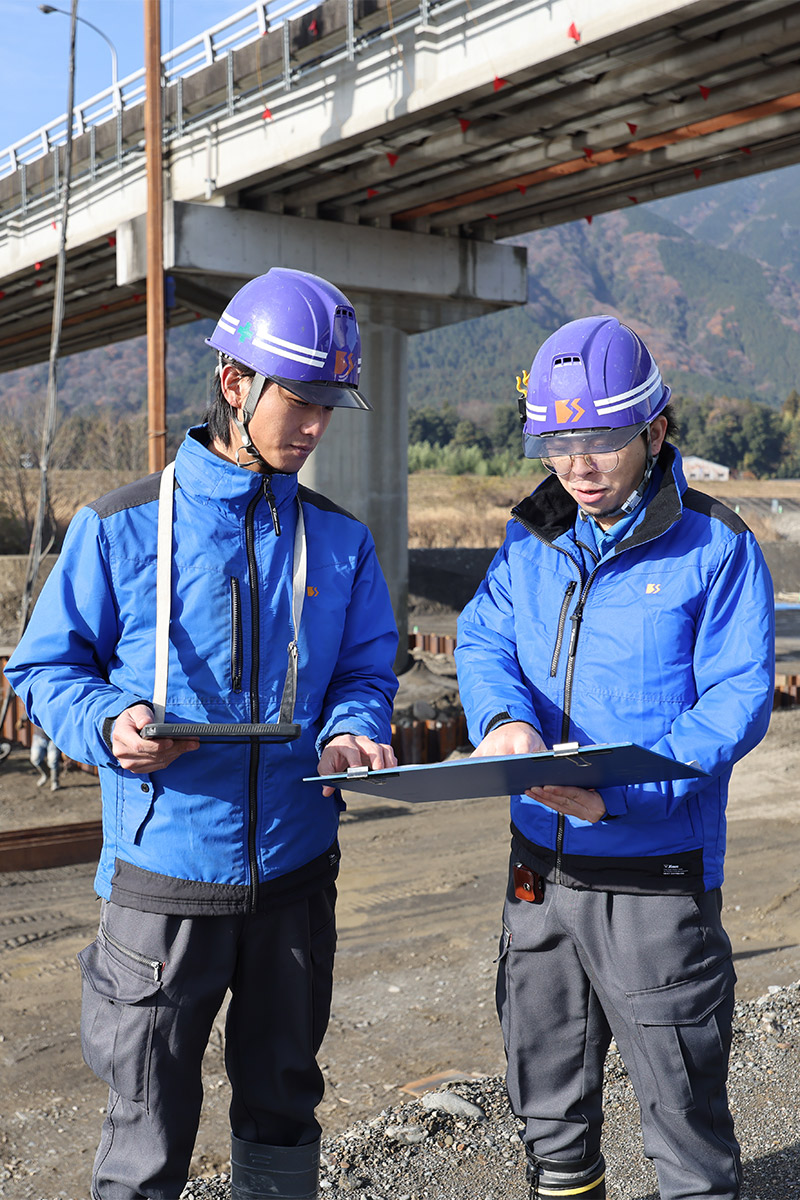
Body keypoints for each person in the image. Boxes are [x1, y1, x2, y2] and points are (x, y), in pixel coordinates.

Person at [5, 267, 399, 1200]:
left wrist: (349, 731)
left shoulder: (340, 542)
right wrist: (110, 722)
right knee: (146, 1121)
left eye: (328, 406)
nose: (314, 426)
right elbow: (43, 670)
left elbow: (363, 672)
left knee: (283, 1105)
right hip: (163, 885)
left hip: (296, 877)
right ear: (236, 385)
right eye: (298, 402)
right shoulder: (121, 528)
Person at [454, 315, 774, 1200]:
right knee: (547, 1100)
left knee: (681, 1108)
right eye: (558, 443)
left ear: (655, 431)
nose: (576, 467)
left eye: (599, 441)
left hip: (652, 871)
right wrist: (504, 721)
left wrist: (618, 794)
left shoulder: (716, 546)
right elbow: (483, 640)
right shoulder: (533, 536)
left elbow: (737, 702)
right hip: (538, 868)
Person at [29, 724, 61, 790]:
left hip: (54, 736)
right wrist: (22, 719)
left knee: (53, 761)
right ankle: (46, 774)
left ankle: (54, 781)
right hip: (39, 735)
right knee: (35, 759)